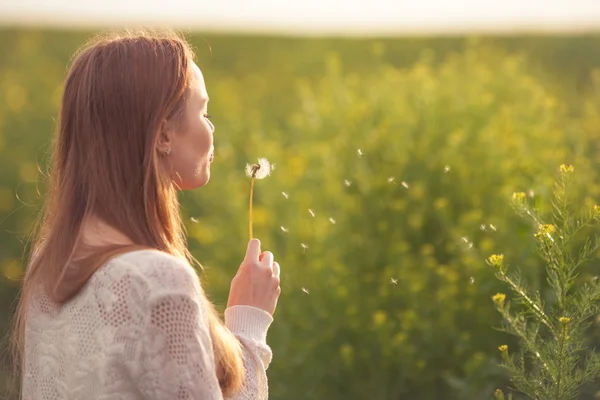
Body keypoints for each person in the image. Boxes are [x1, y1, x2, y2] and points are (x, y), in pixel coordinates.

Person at [11, 29, 281, 400]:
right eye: (203, 110)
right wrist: (249, 323)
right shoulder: (158, 282)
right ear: (163, 134)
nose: (211, 126)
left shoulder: (51, 261)